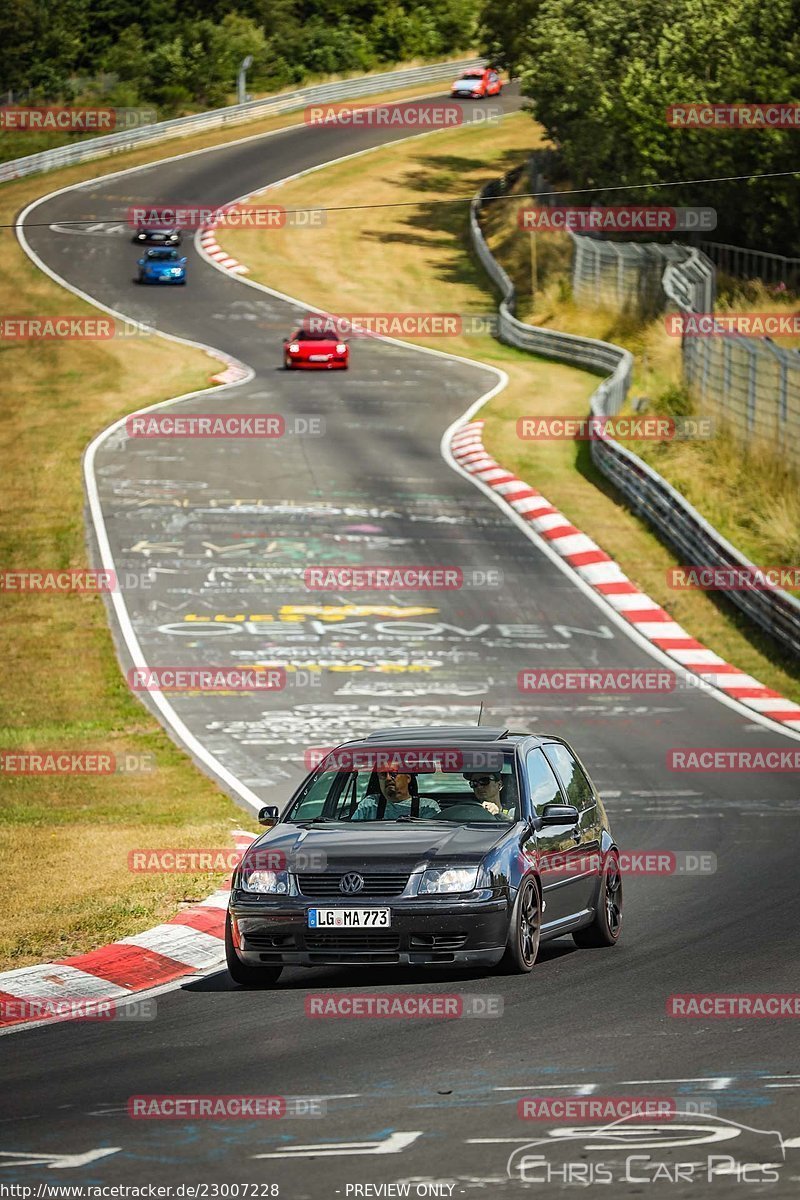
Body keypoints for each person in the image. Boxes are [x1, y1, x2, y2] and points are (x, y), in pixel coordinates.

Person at [351, 764, 441, 820]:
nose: (388, 778)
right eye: (383, 774)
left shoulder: (427, 806)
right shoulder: (369, 805)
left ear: (408, 777)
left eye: (393, 773)